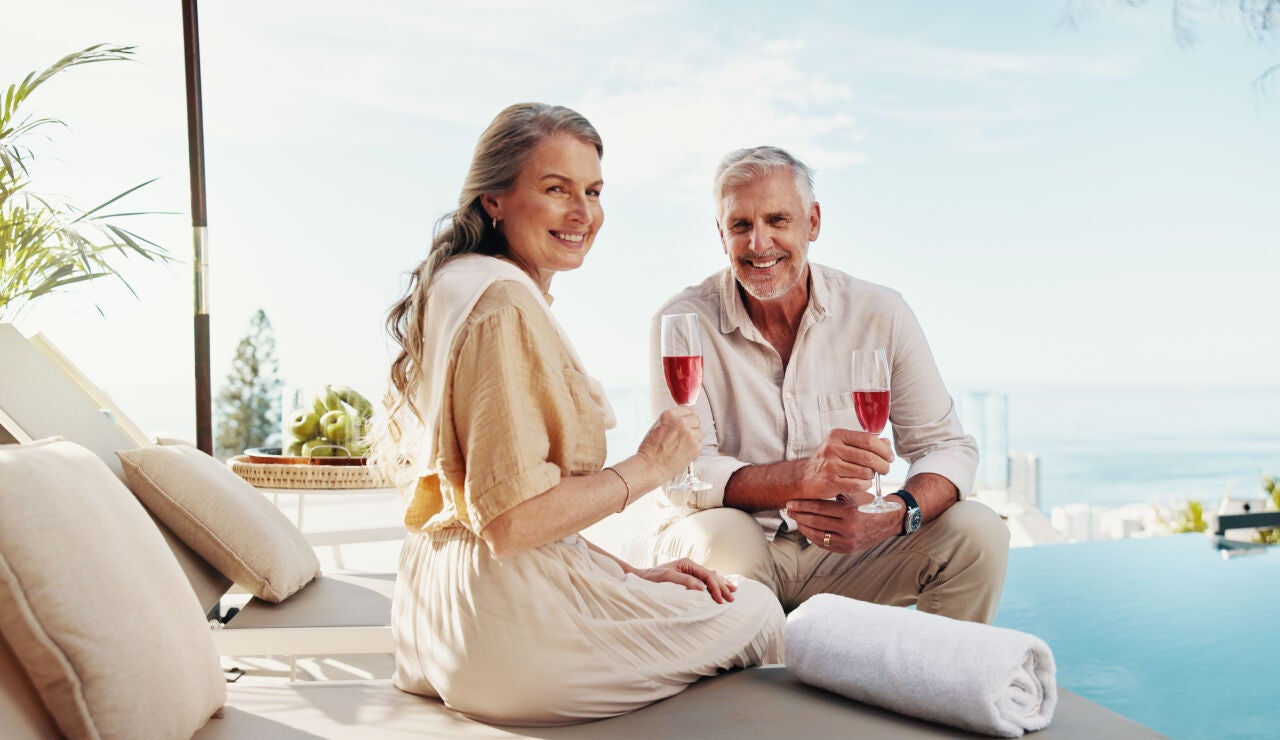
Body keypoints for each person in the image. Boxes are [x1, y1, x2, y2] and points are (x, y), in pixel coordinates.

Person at [378, 104, 783, 726]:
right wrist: (648, 467)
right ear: (494, 198)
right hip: (505, 632)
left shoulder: (456, 282)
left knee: (703, 597)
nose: (582, 213)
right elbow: (510, 523)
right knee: (755, 610)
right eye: (555, 189)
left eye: (592, 191)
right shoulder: (504, 304)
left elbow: (490, 502)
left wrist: (635, 573)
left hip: (431, 616)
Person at [637, 146, 1009, 624]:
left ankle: (934, 684)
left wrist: (896, 513)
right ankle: (755, 682)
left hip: (847, 552)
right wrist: (803, 476)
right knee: (726, 534)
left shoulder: (880, 312)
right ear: (721, 234)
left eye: (777, 220)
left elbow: (946, 446)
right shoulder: (683, 321)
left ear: (812, 223)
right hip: (737, 546)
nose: (759, 243)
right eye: (740, 226)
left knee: (979, 532)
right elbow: (684, 471)